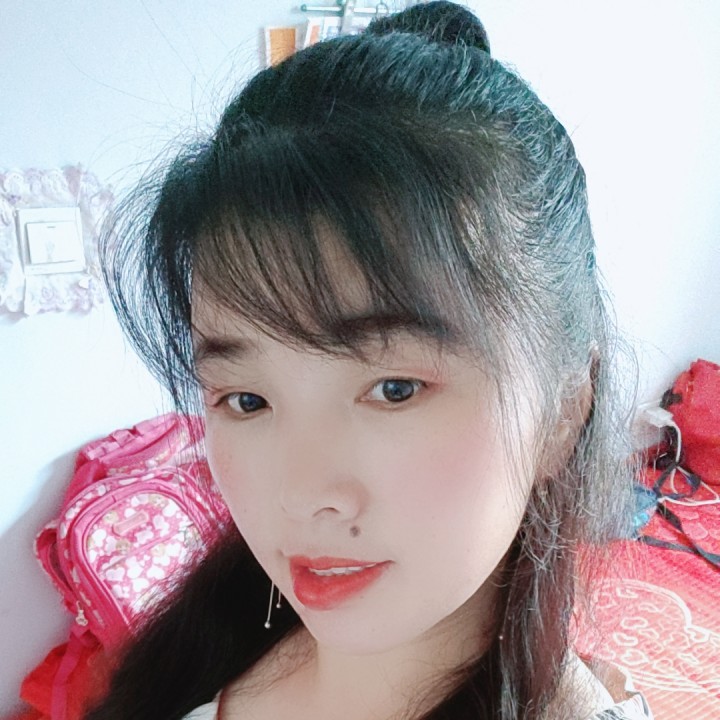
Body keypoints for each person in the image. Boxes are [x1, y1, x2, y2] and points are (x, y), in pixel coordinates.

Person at [86, 3, 653, 718]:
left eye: (394, 388)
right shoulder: (197, 654)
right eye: (247, 400)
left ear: (564, 411)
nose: (301, 497)